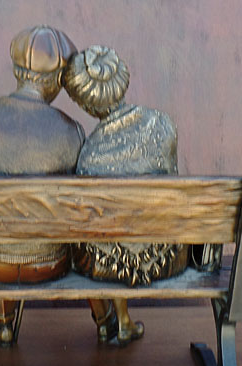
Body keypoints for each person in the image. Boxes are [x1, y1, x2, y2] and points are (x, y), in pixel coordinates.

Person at [0, 25, 84, 347]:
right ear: (57, 80)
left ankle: (4, 322)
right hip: (47, 263)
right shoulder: (71, 131)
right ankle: (107, 322)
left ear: (17, 69)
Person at [63, 45, 188, 346]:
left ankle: (117, 319)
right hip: (168, 258)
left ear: (87, 105)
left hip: (110, 267)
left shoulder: (89, 154)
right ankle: (124, 322)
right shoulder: (162, 124)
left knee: (103, 235)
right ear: (122, 79)